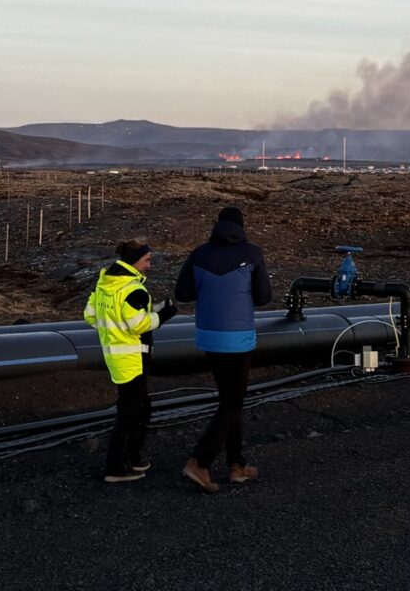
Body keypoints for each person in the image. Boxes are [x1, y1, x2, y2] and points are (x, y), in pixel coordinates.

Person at [172, 204, 273, 492]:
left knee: (230, 401)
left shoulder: (199, 253)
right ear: (241, 227)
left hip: (209, 337)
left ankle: (237, 466)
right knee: (232, 403)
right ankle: (199, 462)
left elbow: (183, 294)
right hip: (238, 338)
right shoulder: (252, 253)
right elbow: (264, 297)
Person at [85, 242, 169, 484]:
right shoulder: (133, 289)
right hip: (133, 359)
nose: (149, 265)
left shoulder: (105, 285)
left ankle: (133, 457)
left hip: (115, 356)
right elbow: (139, 325)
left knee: (140, 408)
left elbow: (91, 316)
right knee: (130, 414)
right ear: (134, 261)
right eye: (147, 260)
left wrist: (112, 333)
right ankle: (116, 467)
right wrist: (164, 314)